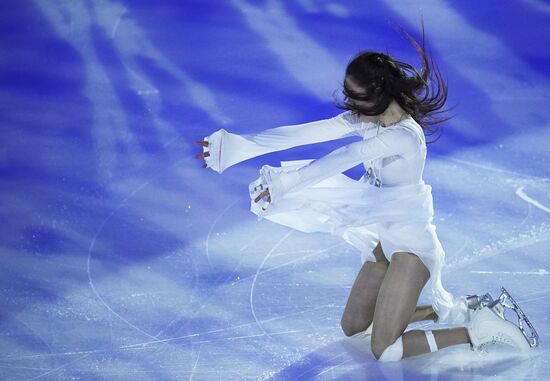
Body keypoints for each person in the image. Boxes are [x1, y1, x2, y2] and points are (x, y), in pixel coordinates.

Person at [195, 27, 535, 361]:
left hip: (411, 247)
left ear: (380, 94)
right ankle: (457, 308)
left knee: (385, 349)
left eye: (357, 98)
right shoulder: (370, 121)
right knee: (354, 327)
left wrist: (285, 183)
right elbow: (307, 133)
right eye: (349, 95)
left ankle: (475, 330)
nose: (350, 105)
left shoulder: (404, 136)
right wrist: (234, 147)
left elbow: (346, 157)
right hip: (385, 238)